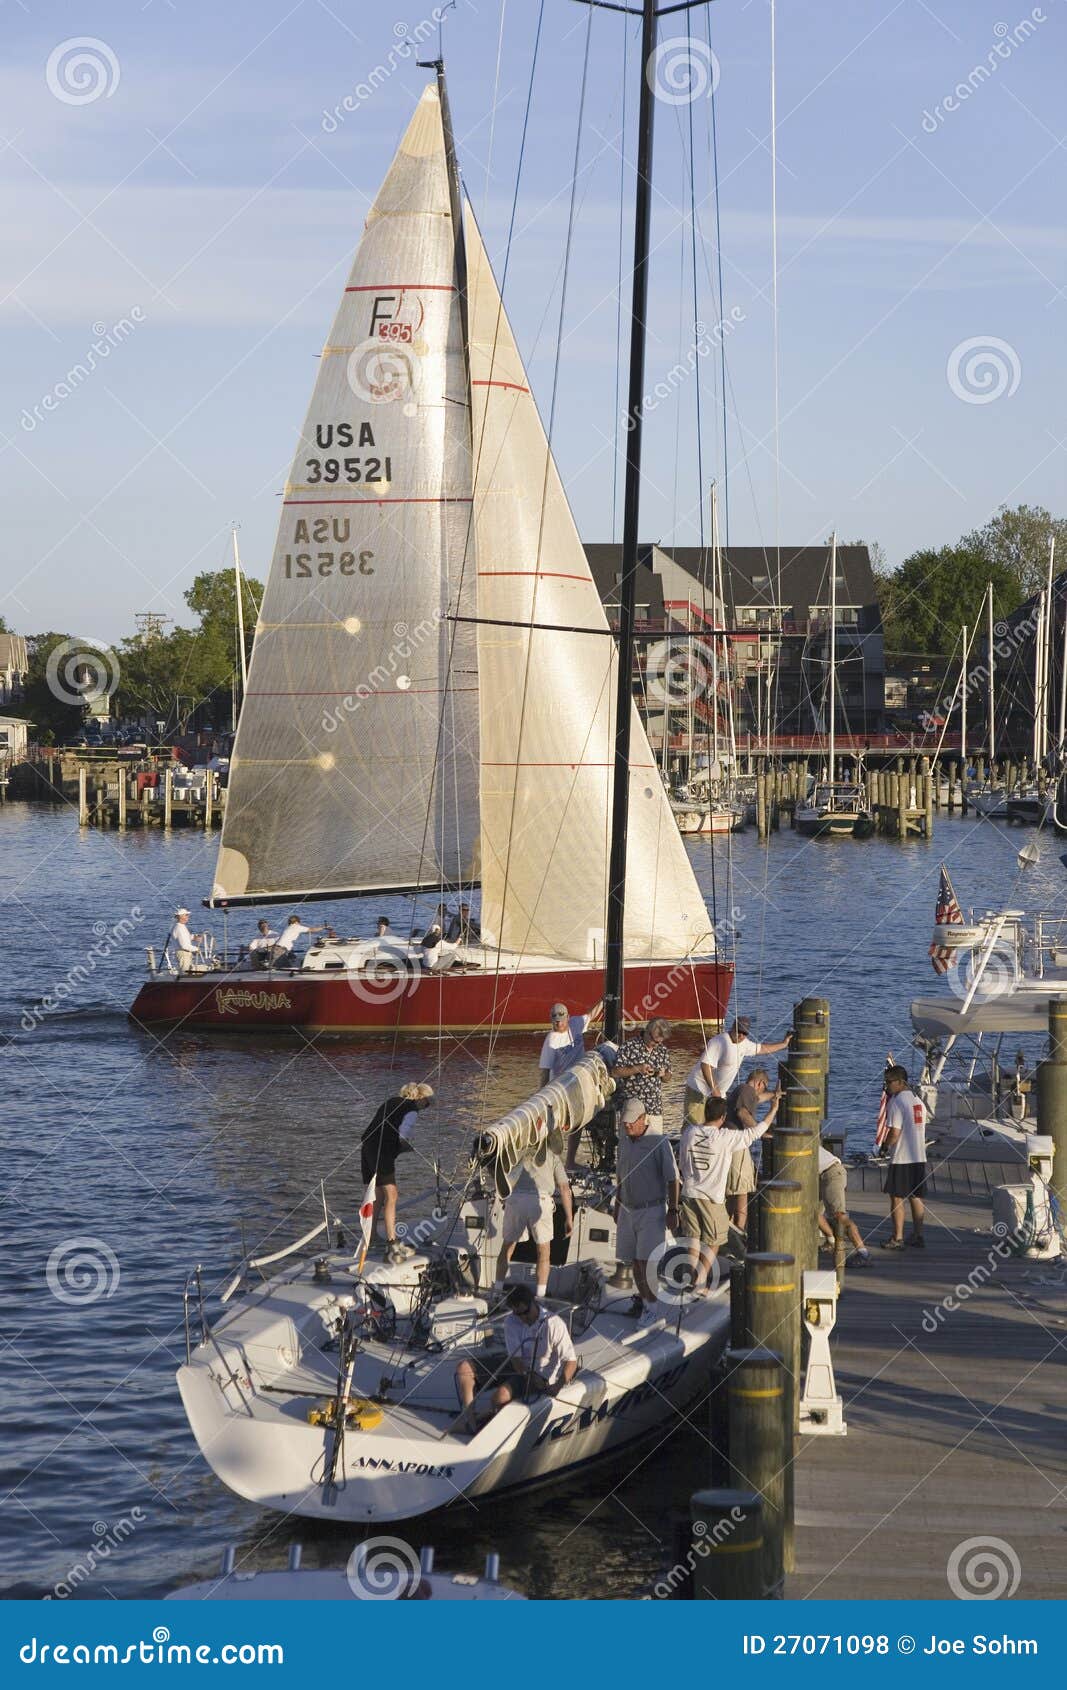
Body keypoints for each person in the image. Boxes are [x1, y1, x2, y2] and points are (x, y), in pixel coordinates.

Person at [678, 1095, 778, 1289]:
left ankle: (689, 1276)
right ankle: (699, 1280)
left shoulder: (689, 1132)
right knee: (715, 1240)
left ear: (705, 1113)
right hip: (711, 1198)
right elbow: (755, 1132)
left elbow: (682, 1162)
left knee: (693, 1237)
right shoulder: (725, 1137)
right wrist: (773, 1109)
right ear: (723, 1117)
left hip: (689, 1192)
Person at [453, 1285, 577, 1430]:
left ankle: (489, 1421)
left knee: (499, 1397)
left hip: (541, 1375)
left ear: (533, 1303)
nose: (523, 1318)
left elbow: (571, 1361)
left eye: (525, 1312)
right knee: (464, 1368)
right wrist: (527, 1374)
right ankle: (471, 1423)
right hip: (520, 1367)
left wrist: (558, 1385)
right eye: (518, 1314)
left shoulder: (554, 1323)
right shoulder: (511, 1321)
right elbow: (516, 1360)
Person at [615, 1096, 680, 1319]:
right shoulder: (623, 1141)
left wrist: (673, 1210)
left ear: (644, 1119)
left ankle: (653, 1309)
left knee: (646, 1262)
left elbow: (673, 1180)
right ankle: (645, 1303)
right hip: (627, 1210)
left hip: (651, 1210)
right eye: (625, 1122)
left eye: (632, 1121)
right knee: (634, 1261)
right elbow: (620, 1177)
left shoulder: (659, 1143)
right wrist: (617, 1206)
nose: (627, 1125)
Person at [360, 1083, 434, 1264]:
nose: (426, 1108)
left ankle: (370, 1237)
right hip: (381, 1152)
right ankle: (392, 1245)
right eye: (427, 1103)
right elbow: (403, 1134)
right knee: (392, 1196)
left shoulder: (391, 1101)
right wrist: (407, 1146)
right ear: (422, 1099)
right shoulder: (411, 1109)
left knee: (377, 1194)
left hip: (367, 1148)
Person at [683, 1017, 792, 1124]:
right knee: (693, 1125)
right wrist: (715, 1091)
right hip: (698, 1089)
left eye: (744, 1033)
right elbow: (705, 1065)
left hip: (718, 1094)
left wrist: (783, 1044)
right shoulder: (719, 1042)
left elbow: (762, 1049)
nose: (740, 1036)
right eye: (738, 1031)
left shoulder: (745, 1044)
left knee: (714, 1127)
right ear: (732, 1028)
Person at [495, 1150, 573, 1299]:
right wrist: (569, 1218)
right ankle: (540, 1297)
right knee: (543, 1252)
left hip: (515, 1199)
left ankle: (497, 1292)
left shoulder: (516, 1151)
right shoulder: (552, 1155)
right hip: (540, 1201)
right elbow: (564, 1188)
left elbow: (501, 1176)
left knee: (507, 1248)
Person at [723, 1067, 782, 1238]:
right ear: (759, 1083)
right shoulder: (746, 1090)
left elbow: (758, 1098)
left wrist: (774, 1094)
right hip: (738, 1145)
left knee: (734, 1189)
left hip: (733, 1144)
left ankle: (731, 1226)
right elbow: (742, 1113)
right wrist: (759, 1132)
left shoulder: (745, 1092)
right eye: (764, 1086)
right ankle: (740, 1229)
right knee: (742, 1188)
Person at [881, 1064, 928, 1249]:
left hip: (902, 1158)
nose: (887, 1086)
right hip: (919, 1156)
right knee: (916, 1196)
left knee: (896, 1197)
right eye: (885, 1082)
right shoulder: (918, 1100)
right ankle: (918, 1235)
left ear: (901, 1082)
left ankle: (897, 1238)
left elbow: (894, 1133)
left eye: (890, 1082)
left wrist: (884, 1147)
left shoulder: (897, 1101)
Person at [613, 1018, 673, 1135]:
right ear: (647, 1032)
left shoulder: (663, 1050)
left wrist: (663, 1074)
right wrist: (638, 1069)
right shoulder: (628, 1046)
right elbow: (616, 1072)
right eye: (655, 1041)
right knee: (629, 1147)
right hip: (632, 1109)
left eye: (660, 1042)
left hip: (654, 1108)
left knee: (653, 1148)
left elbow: (668, 1077)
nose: (657, 1044)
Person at [817, 1144, 870, 1265]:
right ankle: (831, 1241)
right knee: (811, 1209)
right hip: (822, 1175)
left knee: (840, 1217)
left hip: (831, 1173)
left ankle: (863, 1253)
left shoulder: (794, 1143)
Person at [169, 907, 204, 974]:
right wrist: (196, 949)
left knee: (187, 972)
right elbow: (184, 945)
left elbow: (184, 937)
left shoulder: (180, 926)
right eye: (186, 915)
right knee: (185, 973)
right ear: (181, 917)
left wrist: (193, 937)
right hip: (183, 953)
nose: (188, 917)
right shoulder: (179, 928)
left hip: (185, 953)